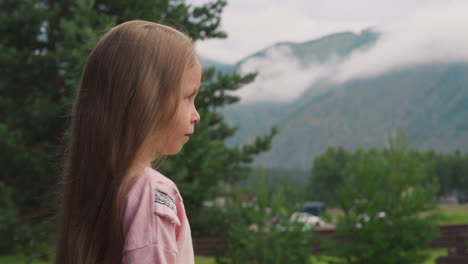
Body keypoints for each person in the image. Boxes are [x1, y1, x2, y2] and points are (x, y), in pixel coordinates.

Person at [54, 20, 201, 264]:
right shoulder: (151, 191)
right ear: (147, 101)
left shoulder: (92, 186)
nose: (196, 115)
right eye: (187, 97)